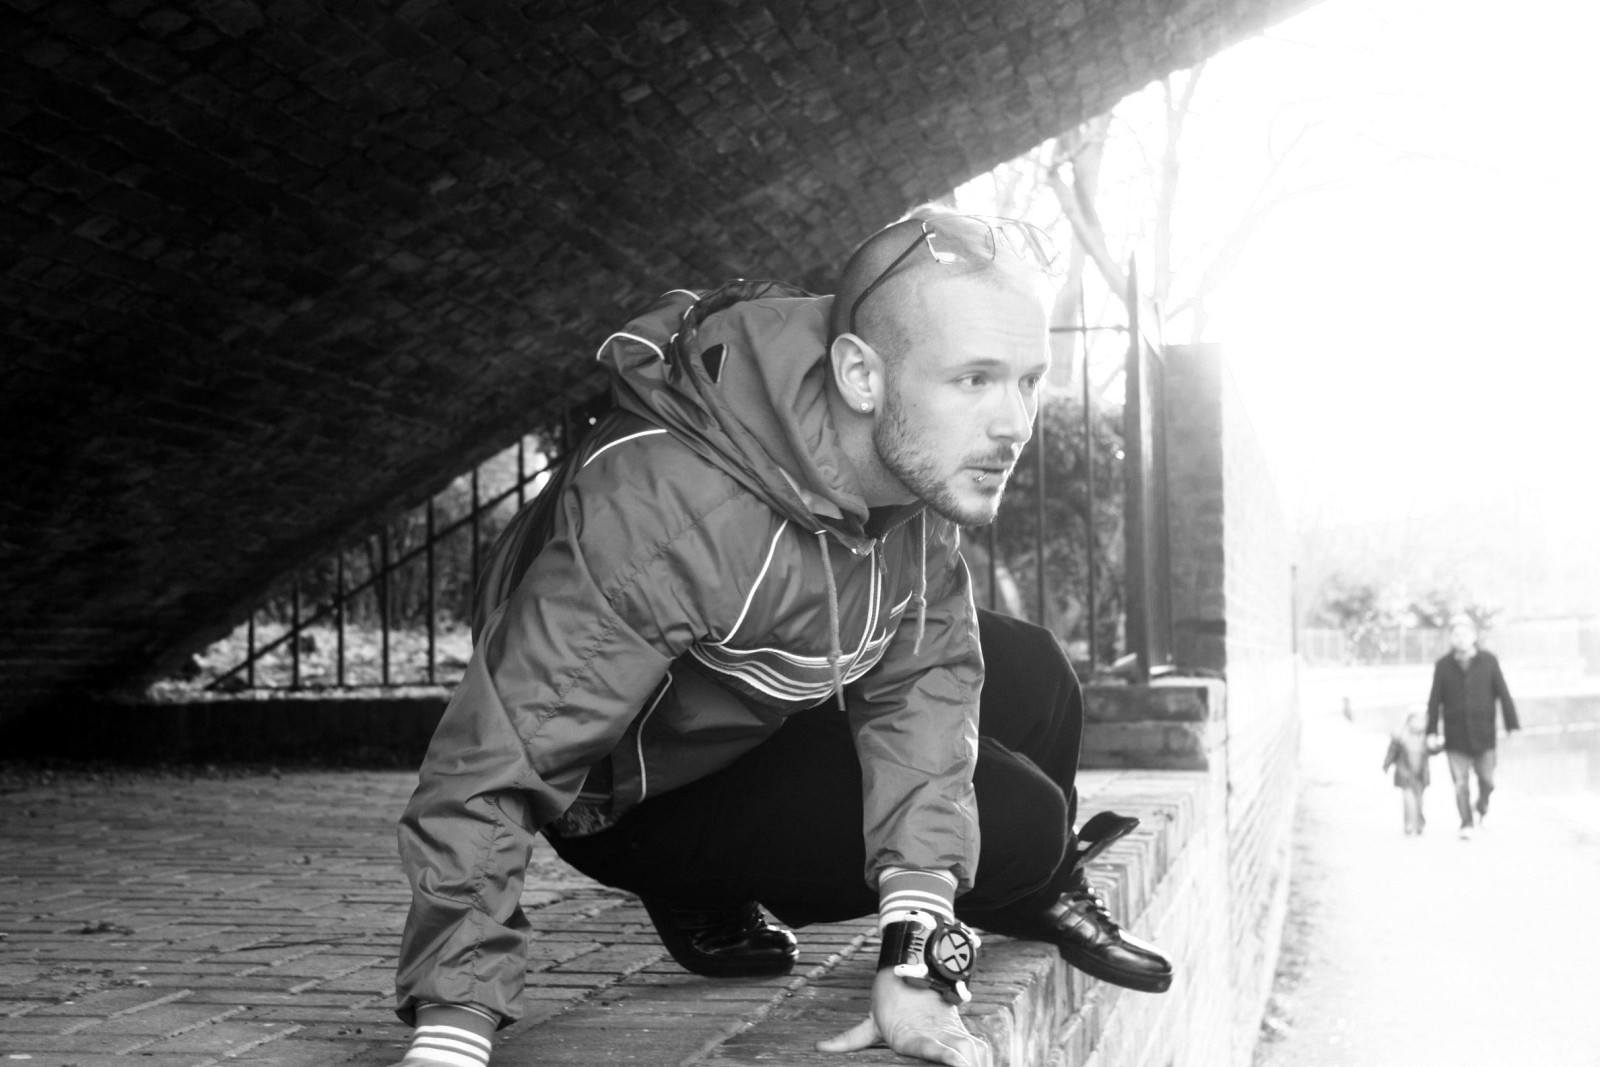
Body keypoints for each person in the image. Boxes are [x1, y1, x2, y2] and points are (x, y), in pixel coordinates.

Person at [389, 212, 1174, 1067]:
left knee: (1040, 674)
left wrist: (915, 965)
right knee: (1021, 819)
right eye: (975, 379)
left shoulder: (913, 464)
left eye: (1028, 380)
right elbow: (494, 764)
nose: (1014, 423)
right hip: (626, 795)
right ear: (860, 373)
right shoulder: (670, 511)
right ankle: (699, 880)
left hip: (750, 696)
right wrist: (453, 1028)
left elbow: (929, 684)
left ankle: (1017, 891)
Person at [1425, 614, 1518, 840]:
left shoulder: (1488, 661)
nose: (1460, 638)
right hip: (1455, 735)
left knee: (1488, 781)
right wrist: (1431, 731)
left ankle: (1481, 808)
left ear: (1474, 636)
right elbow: (1435, 700)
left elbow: (1503, 693)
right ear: (1450, 638)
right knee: (1460, 783)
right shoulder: (1443, 665)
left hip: (1484, 734)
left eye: (1464, 633)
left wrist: (1511, 724)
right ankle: (1466, 823)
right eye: (1456, 634)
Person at [1382, 711, 1432, 835]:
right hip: (1405, 774)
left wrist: (1438, 744)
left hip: (1420, 776)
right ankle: (1409, 824)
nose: (1419, 723)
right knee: (1409, 800)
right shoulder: (1401, 738)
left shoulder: (1425, 738)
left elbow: (1433, 750)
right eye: (1416, 719)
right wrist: (1386, 764)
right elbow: (1392, 752)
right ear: (1408, 721)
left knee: (1419, 801)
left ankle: (1419, 823)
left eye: (1422, 720)